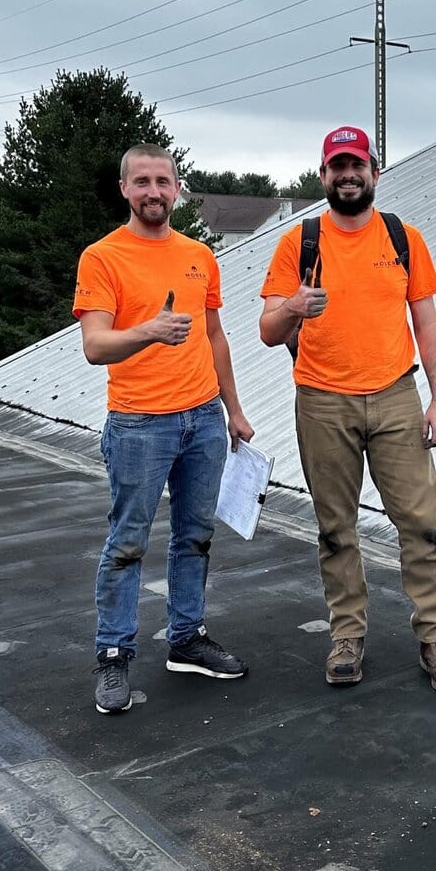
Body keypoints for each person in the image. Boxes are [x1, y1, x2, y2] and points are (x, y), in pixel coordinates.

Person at [259, 125, 436, 694]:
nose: (348, 175)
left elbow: (425, 320)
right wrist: (295, 306)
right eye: (338, 166)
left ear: (374, 172)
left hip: (398, 397)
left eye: (358, 165)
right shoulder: (298, 242)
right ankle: (346, 636)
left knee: (420, 524)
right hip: (323, 401)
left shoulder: (402, 238)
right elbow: (268, 331)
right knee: (335, 529)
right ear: (323, 175)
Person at [74, 142, 254, 715]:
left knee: (195, 537)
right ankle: (112, 654)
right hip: (138, 424)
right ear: (125, 189)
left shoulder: (200, 254)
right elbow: (95, 346)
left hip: (202, 419)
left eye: (164, 181)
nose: (154, 191)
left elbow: (214, 336)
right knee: (127, 543)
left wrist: (234, 410)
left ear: (178, 188)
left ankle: (186, 639)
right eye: (142, 182)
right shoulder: (103, 258)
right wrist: (149, 331)